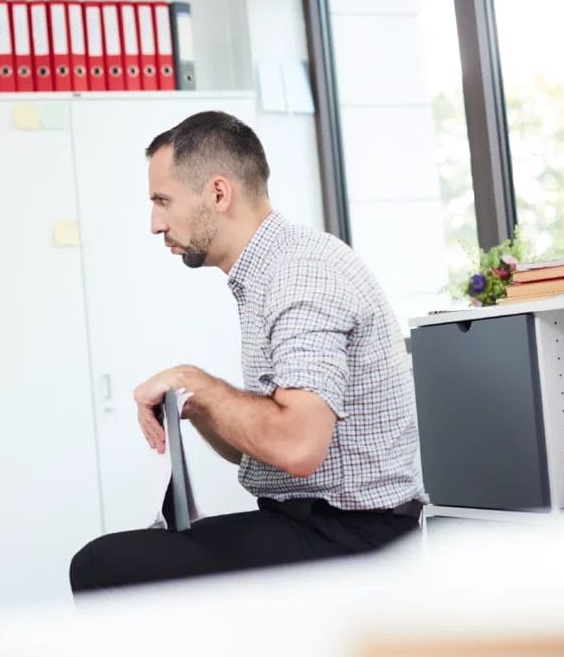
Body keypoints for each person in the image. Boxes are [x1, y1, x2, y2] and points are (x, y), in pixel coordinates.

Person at [70, 111, 426, 592]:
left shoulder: (303, 275)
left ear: (218, 194)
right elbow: (261, 448)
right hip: (312, 524)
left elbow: (297, 446)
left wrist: (199, 383)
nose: (155, 223)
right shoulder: (267, 274)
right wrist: (194, 405)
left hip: (355, 540)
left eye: (162, 201)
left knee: (102, 566)